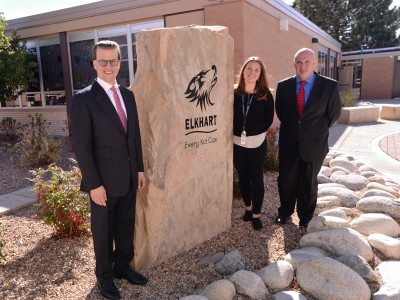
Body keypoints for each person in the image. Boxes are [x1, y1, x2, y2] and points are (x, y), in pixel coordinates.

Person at [70, 40, 147, 300]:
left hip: (128, 177)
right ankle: (104, 278)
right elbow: (81, 146)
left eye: (113, 61)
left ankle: (122, 267)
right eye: (102, 61)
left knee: (126, 226)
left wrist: (139, 169)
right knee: (102, 233)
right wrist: (93, 184)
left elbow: (133, 136)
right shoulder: (83, 100)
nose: (108, 66)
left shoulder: (128, 95)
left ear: (119, 63)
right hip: (102, 182)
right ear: (94, 64)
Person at [275, 48, 341, 227]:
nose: (302, 66)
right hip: (289, 141)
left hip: (314, 143)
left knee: (308, 180)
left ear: (314, 63)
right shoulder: (284, 86)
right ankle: (285, 211)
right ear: (293, 64)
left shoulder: (329, 86)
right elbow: (282, 113)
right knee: (286, 179)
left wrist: (312, 130)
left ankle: (305, 215)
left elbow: (333, 115)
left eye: (306, 62)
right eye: (299, 62)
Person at [233, 56, 275, 230]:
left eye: (256, 70)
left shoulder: (265, 95)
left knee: (256, 178)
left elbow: (268, 120)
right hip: (237, 142)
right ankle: (248, 208)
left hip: (256, 142)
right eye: (249, 68)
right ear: (243, 71)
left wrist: (252, 131)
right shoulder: (234, 93)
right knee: (243, 177)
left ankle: (257, 214)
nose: (252, 72)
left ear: (260, 74)